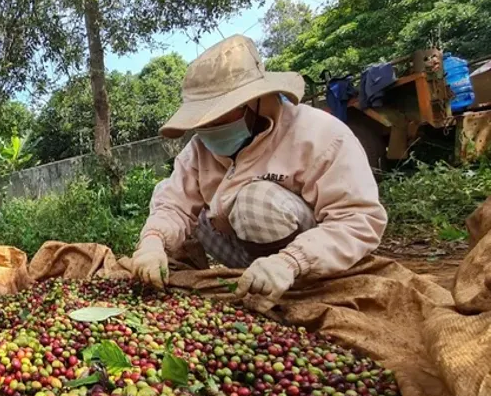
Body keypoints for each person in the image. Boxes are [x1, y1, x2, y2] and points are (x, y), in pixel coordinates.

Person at [132, 35, 387, 301]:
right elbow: (174, 205)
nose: (207, 127)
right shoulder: (198, 150)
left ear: (253, 101)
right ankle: (209, 284)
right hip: (243, 253)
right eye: (201, 119)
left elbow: (358, 220)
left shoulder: (321, 135)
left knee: (255, 200)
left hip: (309, 259)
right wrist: (152, 241)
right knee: (166, 193)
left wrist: (290, 261)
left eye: (218, 115)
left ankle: (290, 288)